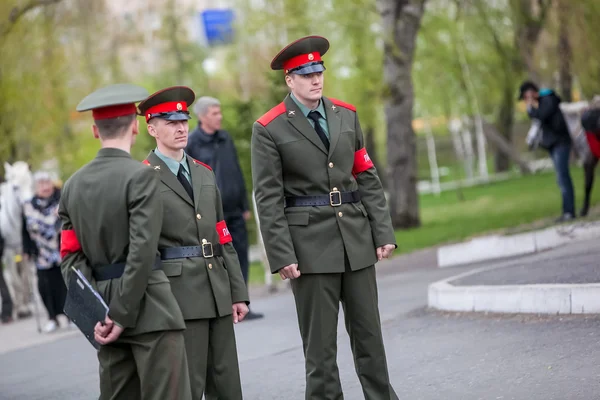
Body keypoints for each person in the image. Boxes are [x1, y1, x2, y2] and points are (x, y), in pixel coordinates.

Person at [251, 35, 399, 400]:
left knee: (370, 338)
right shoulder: (269, 127)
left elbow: (366, 175)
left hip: (356, 240)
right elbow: (268, 197)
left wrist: (383, 231)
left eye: (319, 71)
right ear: (290, 80)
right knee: (320, 350)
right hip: (309, 249)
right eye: (305, 74)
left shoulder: (345, 115)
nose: (316, 79)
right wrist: (281, 254)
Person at [58, 83, 192, 400]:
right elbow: (142, 251)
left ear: (95, 131)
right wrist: (122, 312)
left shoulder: (72, 186)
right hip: (150, 308)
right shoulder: (142, 176)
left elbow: (70, 257)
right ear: (135, 126)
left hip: (102, 313)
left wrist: (97, 312)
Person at [138, 86, 249, 400]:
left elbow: (222, 234)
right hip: (178, 296)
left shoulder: (203, 173)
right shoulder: (142, 179)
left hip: (217, 289)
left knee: (228, 387)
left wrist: (237, 292)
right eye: (169, 121)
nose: (180, 127)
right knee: (188, 386)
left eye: (183, 120)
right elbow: (144, 250)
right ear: (151, 128)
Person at [186, 96, 264, 320]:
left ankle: (243, 302)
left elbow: (235, 170)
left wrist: (244, 204)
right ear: (202, 117)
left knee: (240, 256)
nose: (219, 117)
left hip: (234, 210)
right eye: (214, 113)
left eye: (219, 112)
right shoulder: (192, 143)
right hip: (210, 213)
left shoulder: (225, 138)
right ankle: (221, 306)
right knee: (216, 259)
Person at [519, 81, 575, 222]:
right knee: (560, 178)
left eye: (526, 97)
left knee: (563, 177)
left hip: (560, 143)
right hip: (553, 144)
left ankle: (569, 212)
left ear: (530, 92)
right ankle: (567, 211)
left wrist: (531, 108)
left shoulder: (548, 98)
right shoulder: (542, 102)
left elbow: (541, 115)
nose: (526, 101)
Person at [22, 171, 68, 333]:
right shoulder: (28, 205)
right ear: (35, 188)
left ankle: (69, 315)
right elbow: (24, 230)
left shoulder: (61, 200)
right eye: (40, 185)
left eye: (47, 183)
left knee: (64, 283)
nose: (45, 187)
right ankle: (51, 317)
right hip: (41, 253)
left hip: (61, 248)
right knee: (45, 286)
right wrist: (26, 250)